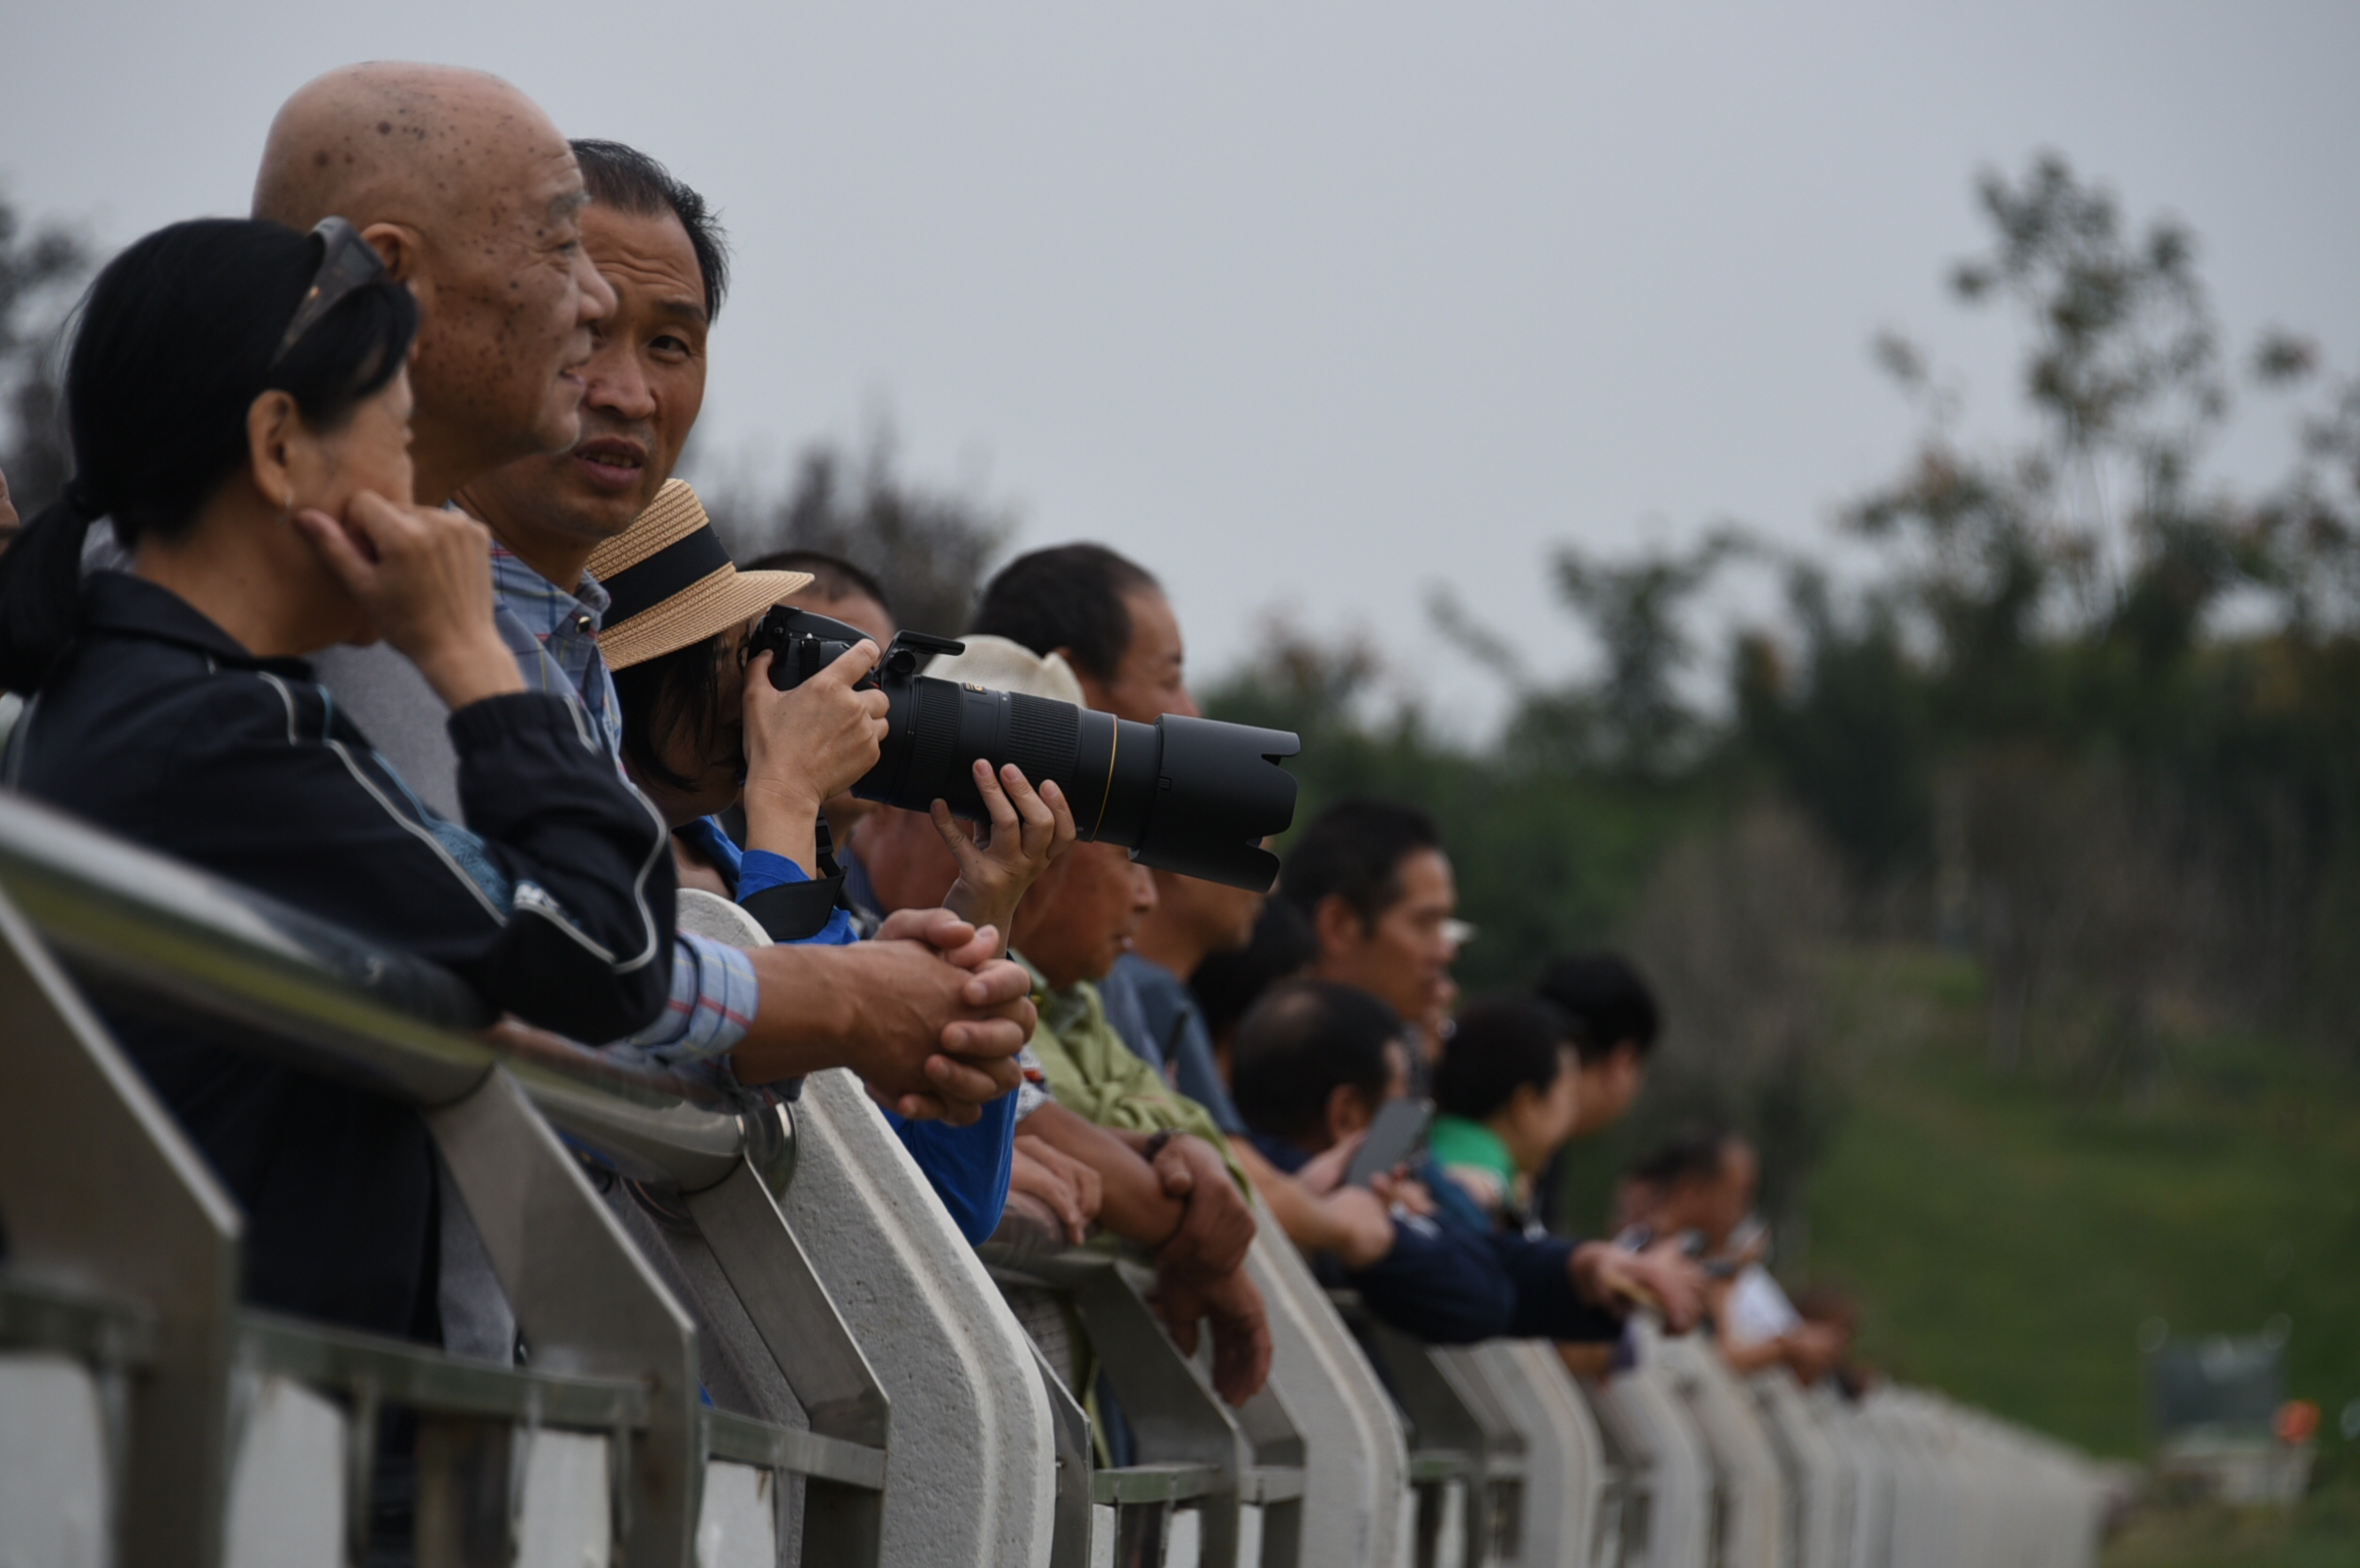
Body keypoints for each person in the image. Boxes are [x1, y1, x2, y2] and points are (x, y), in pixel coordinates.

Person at [0, 217, 671, 1344]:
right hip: (232, 1461)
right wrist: (475, 661)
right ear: (278, 448)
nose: (424, 502)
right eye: (401, 445)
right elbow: (611, 950)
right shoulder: (217, 734)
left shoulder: (147, 697)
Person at [589, 485, 1075, 1243]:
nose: (754, 695)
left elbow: (939, 1208)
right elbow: (801, 1142)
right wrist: (784, 791)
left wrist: (982, 909)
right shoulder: (599, 876)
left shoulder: (755, 867)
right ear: (631, 686)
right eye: (727, 657)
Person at [844, 637, 1272, 1406]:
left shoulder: (1037, 975)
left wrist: (1169, 1148)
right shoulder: (811, 912)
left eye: (1047, 832)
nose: (1013, 853)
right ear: (884, 784)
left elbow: (1196, 1176)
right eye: (981, 809)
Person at [1231, 980, 1703, 1345]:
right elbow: (1480, 1294)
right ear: (1346, 1116)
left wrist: (1585, 1264)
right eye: (1401, 1114)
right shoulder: (1325, 1194)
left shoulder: (1309, 1186)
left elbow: (1480, 1251)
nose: (1413, 1138)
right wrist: (1368, 1229)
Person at [1623, 1128, 1844, 1384]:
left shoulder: (1707, 1267)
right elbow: (1710, 1368)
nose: (1743, 1211)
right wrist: (1782, 1348)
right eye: (1739, 1194)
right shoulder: (1650, 1263)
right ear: (1691, 1190)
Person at [1276, 799, 1462, 1063]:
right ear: (1338, 926)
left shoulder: (1408, 1051)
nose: (1445, 952)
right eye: (1424, 923)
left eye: (1444, 924)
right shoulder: (1278, 1061)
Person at [1430, 996, 1585, 1225]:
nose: (1575, 1114)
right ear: (1528, 1105)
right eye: (1570, 1096)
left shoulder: (1424, 1153)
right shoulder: (1484, 1196)